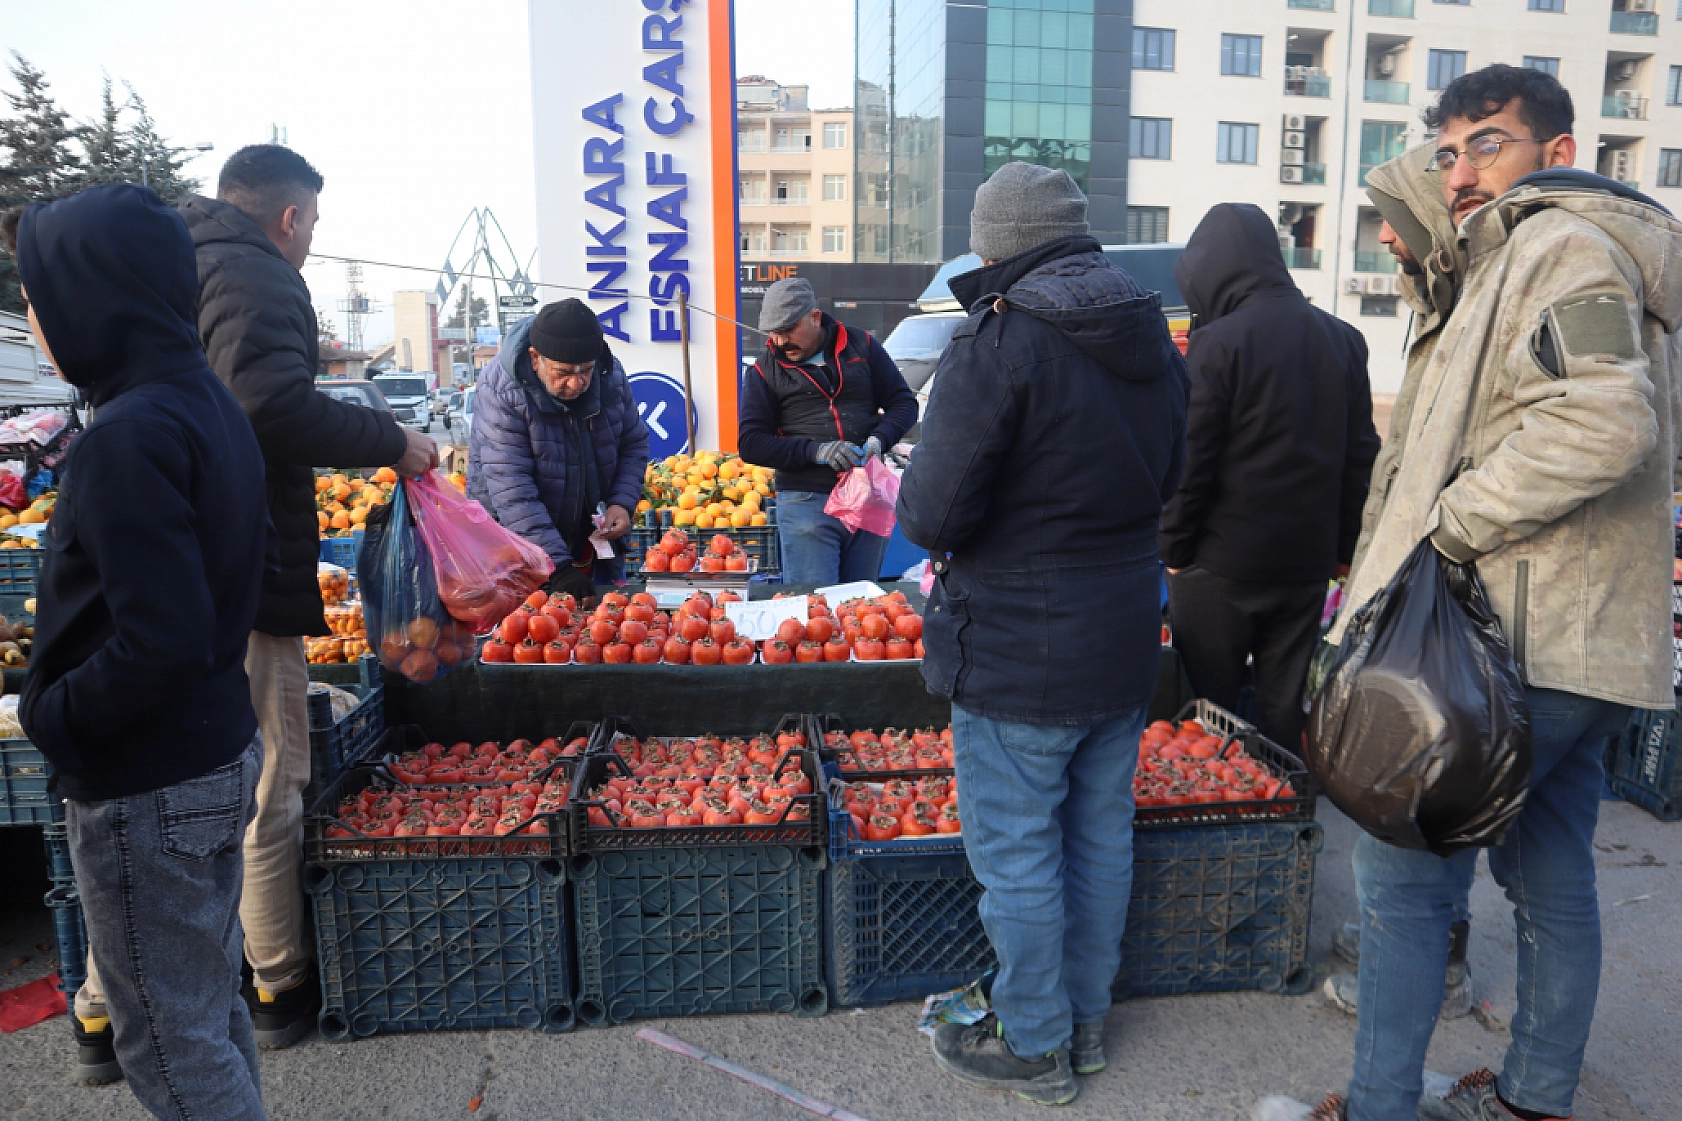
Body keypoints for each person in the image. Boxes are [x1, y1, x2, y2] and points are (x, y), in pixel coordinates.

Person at [1261, 64, 1682, 1121]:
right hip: (1564, 639)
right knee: (1548, 878)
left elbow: (1602, 421)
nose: (1459, 170)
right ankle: (1533, 1096)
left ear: (1554, 148)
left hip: (1509, 642)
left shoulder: (1559, 245)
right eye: (1447, 151)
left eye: (1484, 142)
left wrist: (1450, 521)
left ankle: (1378, 1104)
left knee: (1400, 885)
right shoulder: (1517, 256)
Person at [60, 146, 441, 1068]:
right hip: (240, 562)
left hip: (155, 563)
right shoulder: (262, 278)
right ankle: (278, 978)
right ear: (290, 219)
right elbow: (271, 404)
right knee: (267, 782)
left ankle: (104, 1007)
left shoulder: (170, 264)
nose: (313, 239)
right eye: (313, 223)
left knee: (151, 791)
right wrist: (395, 438)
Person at [897, 162, 1188, 1107]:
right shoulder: (1153, 336)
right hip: (1123, 633)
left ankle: (1034, 1042)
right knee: (1099, 836)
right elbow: (1174, 478)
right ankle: (1083, 1019)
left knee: (1019, 852)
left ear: (997, 243)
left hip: (1020, 643)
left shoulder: (1003, 341)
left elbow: (933, 513)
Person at [8, 185, 270, 1119]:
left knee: (165, 1038)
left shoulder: (128, 436)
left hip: (145, 777)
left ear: (94, 295)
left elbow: (157, 638)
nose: (32, 314)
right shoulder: (199, 401)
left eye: (38, 292)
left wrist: (52, 713)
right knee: (203, 1009)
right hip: (210, 748)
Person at [1320, 142, 1475, 1026]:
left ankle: (1427, 965)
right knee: (1438, 823)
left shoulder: (1473, 306)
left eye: (1392, 218)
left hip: (1449, 599)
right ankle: (1419, 944)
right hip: (1421, 588)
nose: (1381, 236)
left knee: (1419, 820)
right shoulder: (1432, 308)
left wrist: (1440, 531)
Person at [1159, 203, 1380, 752]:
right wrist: (1346, 549)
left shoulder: (1219, 344)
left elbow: (1194, 461)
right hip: (1306, 565)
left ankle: (1224, 812)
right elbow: (1360, 455)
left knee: (1210, 713)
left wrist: (1174, 548)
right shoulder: (1344, 338)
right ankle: (1285, 804)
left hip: (1220, 566)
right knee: (1284, 708)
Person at [737, 277, 917, 585]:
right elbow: (751, 443)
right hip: (806, 500)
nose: (780, 342)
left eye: (788, 330)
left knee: (862, 606)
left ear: (815, 317)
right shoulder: (764, 371)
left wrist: (880, 439)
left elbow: (903, 403)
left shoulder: (863, 346)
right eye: (774, 333)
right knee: (815, 612)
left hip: (867, 494)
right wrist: (815, 451)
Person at [467, 299, 649, 602]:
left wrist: (621, 502)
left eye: (586, 370)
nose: (577, 382)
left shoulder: (609, 376)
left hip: (588, 541)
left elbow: (633, 442)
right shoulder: (502, 390)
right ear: (535, 358)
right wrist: (557, 566)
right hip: (518, 549)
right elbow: (512, 489)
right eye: (563, 372)